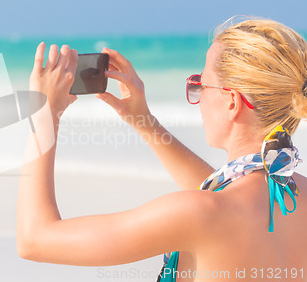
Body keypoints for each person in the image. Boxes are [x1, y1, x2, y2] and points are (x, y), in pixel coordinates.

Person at [16, 17, 307, 281]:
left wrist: (45, 115)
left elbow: (35, 239)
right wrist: (143, 121)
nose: (197, 95)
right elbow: (221, 195)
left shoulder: (200, 214)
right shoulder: (293, 197)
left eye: (200, 84)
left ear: (232, 102)